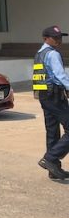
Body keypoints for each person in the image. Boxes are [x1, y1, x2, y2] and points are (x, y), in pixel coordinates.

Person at [32, 25, 69, 180]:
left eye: (60, 37)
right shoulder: (52, 54)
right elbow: (60, 75)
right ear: (45, 38)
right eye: (55, 38)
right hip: (55, 96)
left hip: (45, 96)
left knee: (52, 132)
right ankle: (50, 159)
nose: (59, 40)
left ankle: (53, 170)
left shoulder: (39, 53)